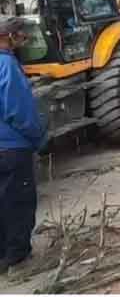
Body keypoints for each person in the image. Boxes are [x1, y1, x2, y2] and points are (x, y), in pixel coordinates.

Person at [0, 17, 46, 272]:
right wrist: (38, 139)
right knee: (17, 202)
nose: (23, 40)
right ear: (9, 36)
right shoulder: (7, 65)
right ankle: (16, 258)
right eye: (20, 35)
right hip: (12, 148)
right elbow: (18, 110)